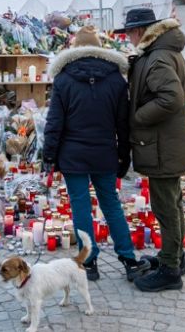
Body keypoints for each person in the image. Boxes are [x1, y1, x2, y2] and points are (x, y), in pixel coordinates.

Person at [43, 26, 150, 282]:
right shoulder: (115, 79)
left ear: (74, 50)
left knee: (81, 206)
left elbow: (54, 123)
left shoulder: (64, 79)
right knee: (111, 204)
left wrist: (49, 157)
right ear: (99, 49)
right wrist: (124, 156)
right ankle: (128, 259)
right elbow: (123, 124)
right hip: (104, 153)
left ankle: (88, 263)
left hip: (73, 155)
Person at [117, 8, 185, 292]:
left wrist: (137, 117)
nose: (128, 37)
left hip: (164, 145)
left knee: (166, 207)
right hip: (166, 143)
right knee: (171, 204)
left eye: (129, 32)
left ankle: (171, 271)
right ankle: (173, 258)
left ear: (141, 32)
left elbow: (170, 98)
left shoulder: (158, 57)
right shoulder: (161, 52)